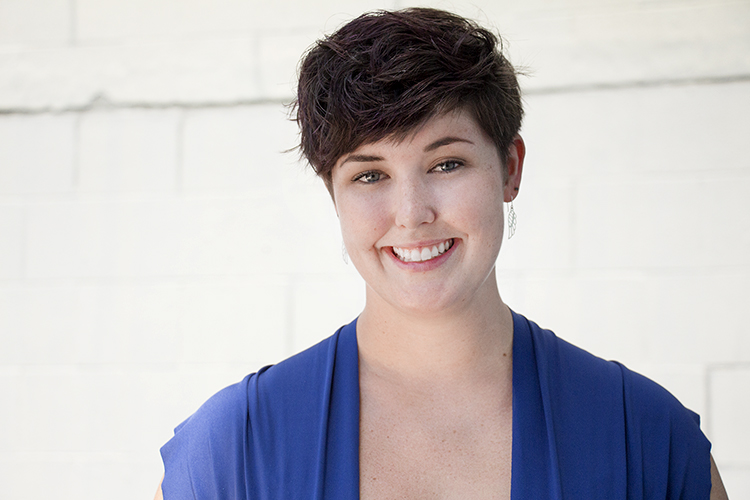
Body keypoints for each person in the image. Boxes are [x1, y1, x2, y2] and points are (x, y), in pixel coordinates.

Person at [155, 7, 728, 499]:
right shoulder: (233, 450)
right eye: (370, 175)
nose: (411, 213)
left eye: (446, 163)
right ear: (333, 193)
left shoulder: (648, 440)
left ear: (509, 168)